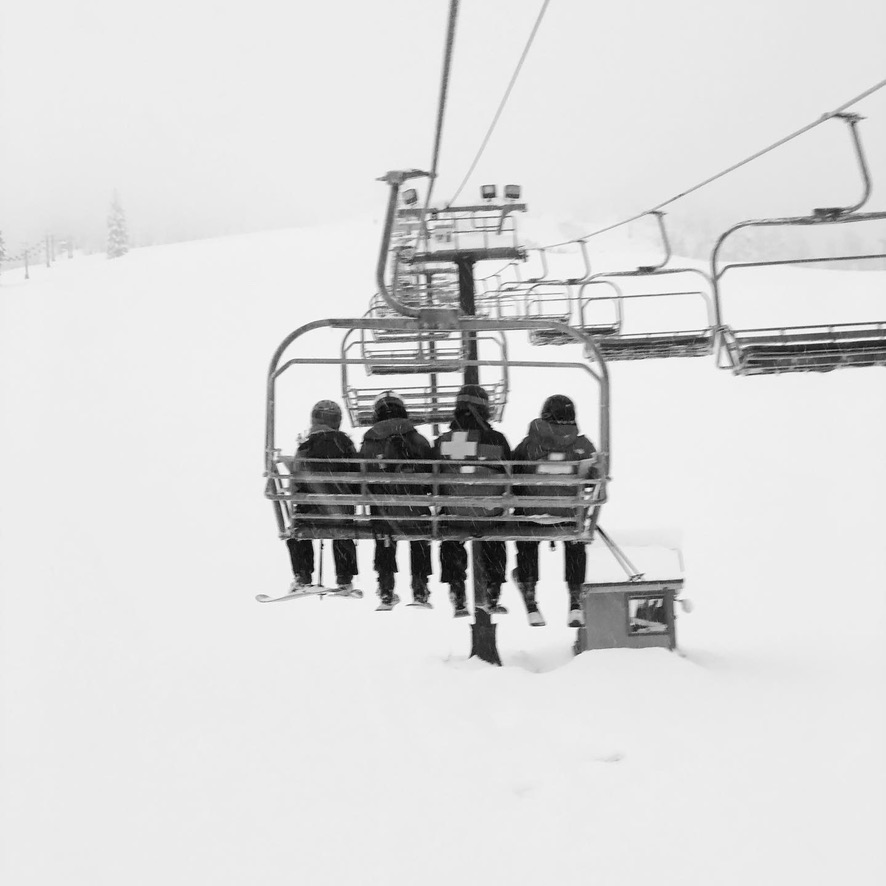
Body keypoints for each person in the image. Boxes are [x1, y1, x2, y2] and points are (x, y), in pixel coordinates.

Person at [512, 394, 597, 627]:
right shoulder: (582, 445)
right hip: (569, 518)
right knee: (575, 542)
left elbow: (513, 474)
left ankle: (530, 597)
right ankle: (575, 602)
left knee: (526, 536)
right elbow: (595, 476)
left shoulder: (529, 445)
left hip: (532, 518)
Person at [433, 384, 511, 618]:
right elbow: (512, 473)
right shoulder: (496, 440)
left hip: (456, 514)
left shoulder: (445, 441)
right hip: (489, 515)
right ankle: (493, 588)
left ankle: (457, 589)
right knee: (494, 537)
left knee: (449, 537)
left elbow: (432, 481)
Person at [359, 392, 433, 609]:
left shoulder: (370, 442)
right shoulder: (418, 440)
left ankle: (385, 589)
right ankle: (420, 589)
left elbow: (361, 476)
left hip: (383, 513)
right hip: (415, 511)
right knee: (419, 537)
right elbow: (431, 474)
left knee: (384, 540)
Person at [286, 399, 359, 594]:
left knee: (297, 529)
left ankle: (303, 577)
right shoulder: (346, 444)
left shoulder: (306, 446)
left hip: (311, 513)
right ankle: (344, 579)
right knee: (344, 529)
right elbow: (358, 475)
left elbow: (296, 482)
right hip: (340, 513)